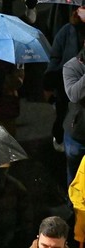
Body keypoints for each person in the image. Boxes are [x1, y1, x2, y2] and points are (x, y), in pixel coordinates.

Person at [47, 6, 85, 152]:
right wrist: (48, 84)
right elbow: (55, 57)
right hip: (66, 83)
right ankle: (61, 135)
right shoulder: (66, 31)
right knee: (64, 112)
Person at [63, 46, 85, 186]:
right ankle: (73, 206)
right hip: (78, 133)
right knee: (75, 176)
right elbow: (74, 95)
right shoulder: (72, 66)